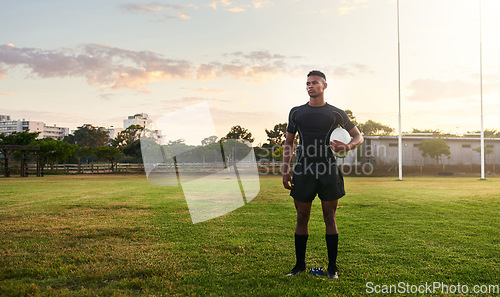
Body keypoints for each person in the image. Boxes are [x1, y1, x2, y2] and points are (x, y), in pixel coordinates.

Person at [282, 70, 363, 279]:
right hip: (304, 169)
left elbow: (358, 136)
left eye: (315, 83)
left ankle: (332, 268)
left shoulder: (336, 113)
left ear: (324, 86)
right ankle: (299, 265)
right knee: (301, 217)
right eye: (307, 83)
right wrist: (285, 170)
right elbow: (289, 142)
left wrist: (348, 145)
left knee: (330, 217)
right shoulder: (296, 112)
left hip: (328, 169)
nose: (310, 86)